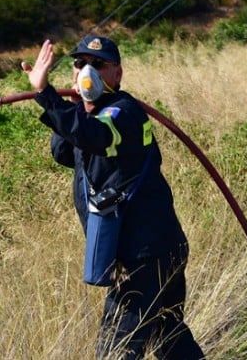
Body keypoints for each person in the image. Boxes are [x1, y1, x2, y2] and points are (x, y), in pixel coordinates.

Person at [21, 36, 204, 360]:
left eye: (98, 65)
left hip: (146, 257)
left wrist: (45, 94)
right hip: (154, 250)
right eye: (80, 64)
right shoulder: (93, 116)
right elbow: (64, 150)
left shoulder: (124, 113)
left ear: (117, 73)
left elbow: (97, 136)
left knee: (116, 350)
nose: (87, 70)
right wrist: (79, 104)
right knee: (168, 337)